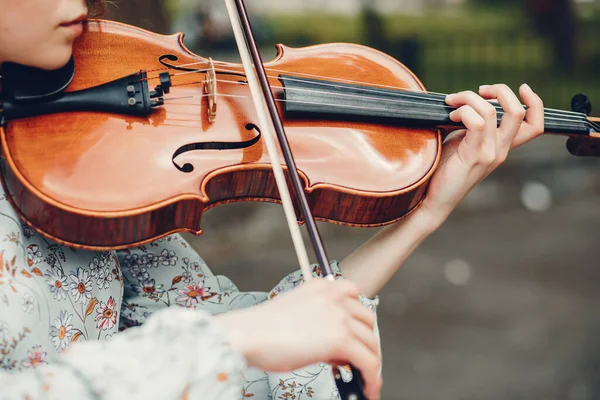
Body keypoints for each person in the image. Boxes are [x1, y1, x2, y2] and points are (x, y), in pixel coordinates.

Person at [0, 0, 546, 399]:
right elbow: (225, 341)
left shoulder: (79, 156)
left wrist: (425, 214)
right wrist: (232, 339)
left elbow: (245, 341)